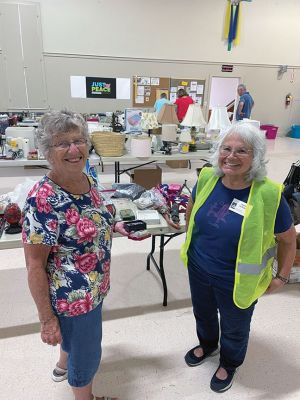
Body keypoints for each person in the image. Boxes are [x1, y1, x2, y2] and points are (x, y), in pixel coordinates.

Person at [22, 110, 130, 400]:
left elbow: (94, 214)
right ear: (47, 151)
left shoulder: (87, 178)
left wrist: (115, 224)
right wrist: (47, 320)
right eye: (62, 143)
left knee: (76, 342)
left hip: (94, 285)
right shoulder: (43, 199)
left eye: (79, 140)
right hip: (72, 299)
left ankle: (62, 364)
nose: (74, 149)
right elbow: (34, 265)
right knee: (88, 352)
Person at [181, 122, 296, 393]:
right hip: (199, 266)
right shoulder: (208, 176)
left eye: (241, 151)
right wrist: (189, 238)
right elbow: (191, 208)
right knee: (203, 313)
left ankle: (230, 362)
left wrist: (281, 276)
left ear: (255, 156)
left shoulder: (268, 194)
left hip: (238, 278)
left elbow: (288, 240)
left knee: (234, 326)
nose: (231, 156)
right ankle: (208, 345)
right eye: (226, 149)